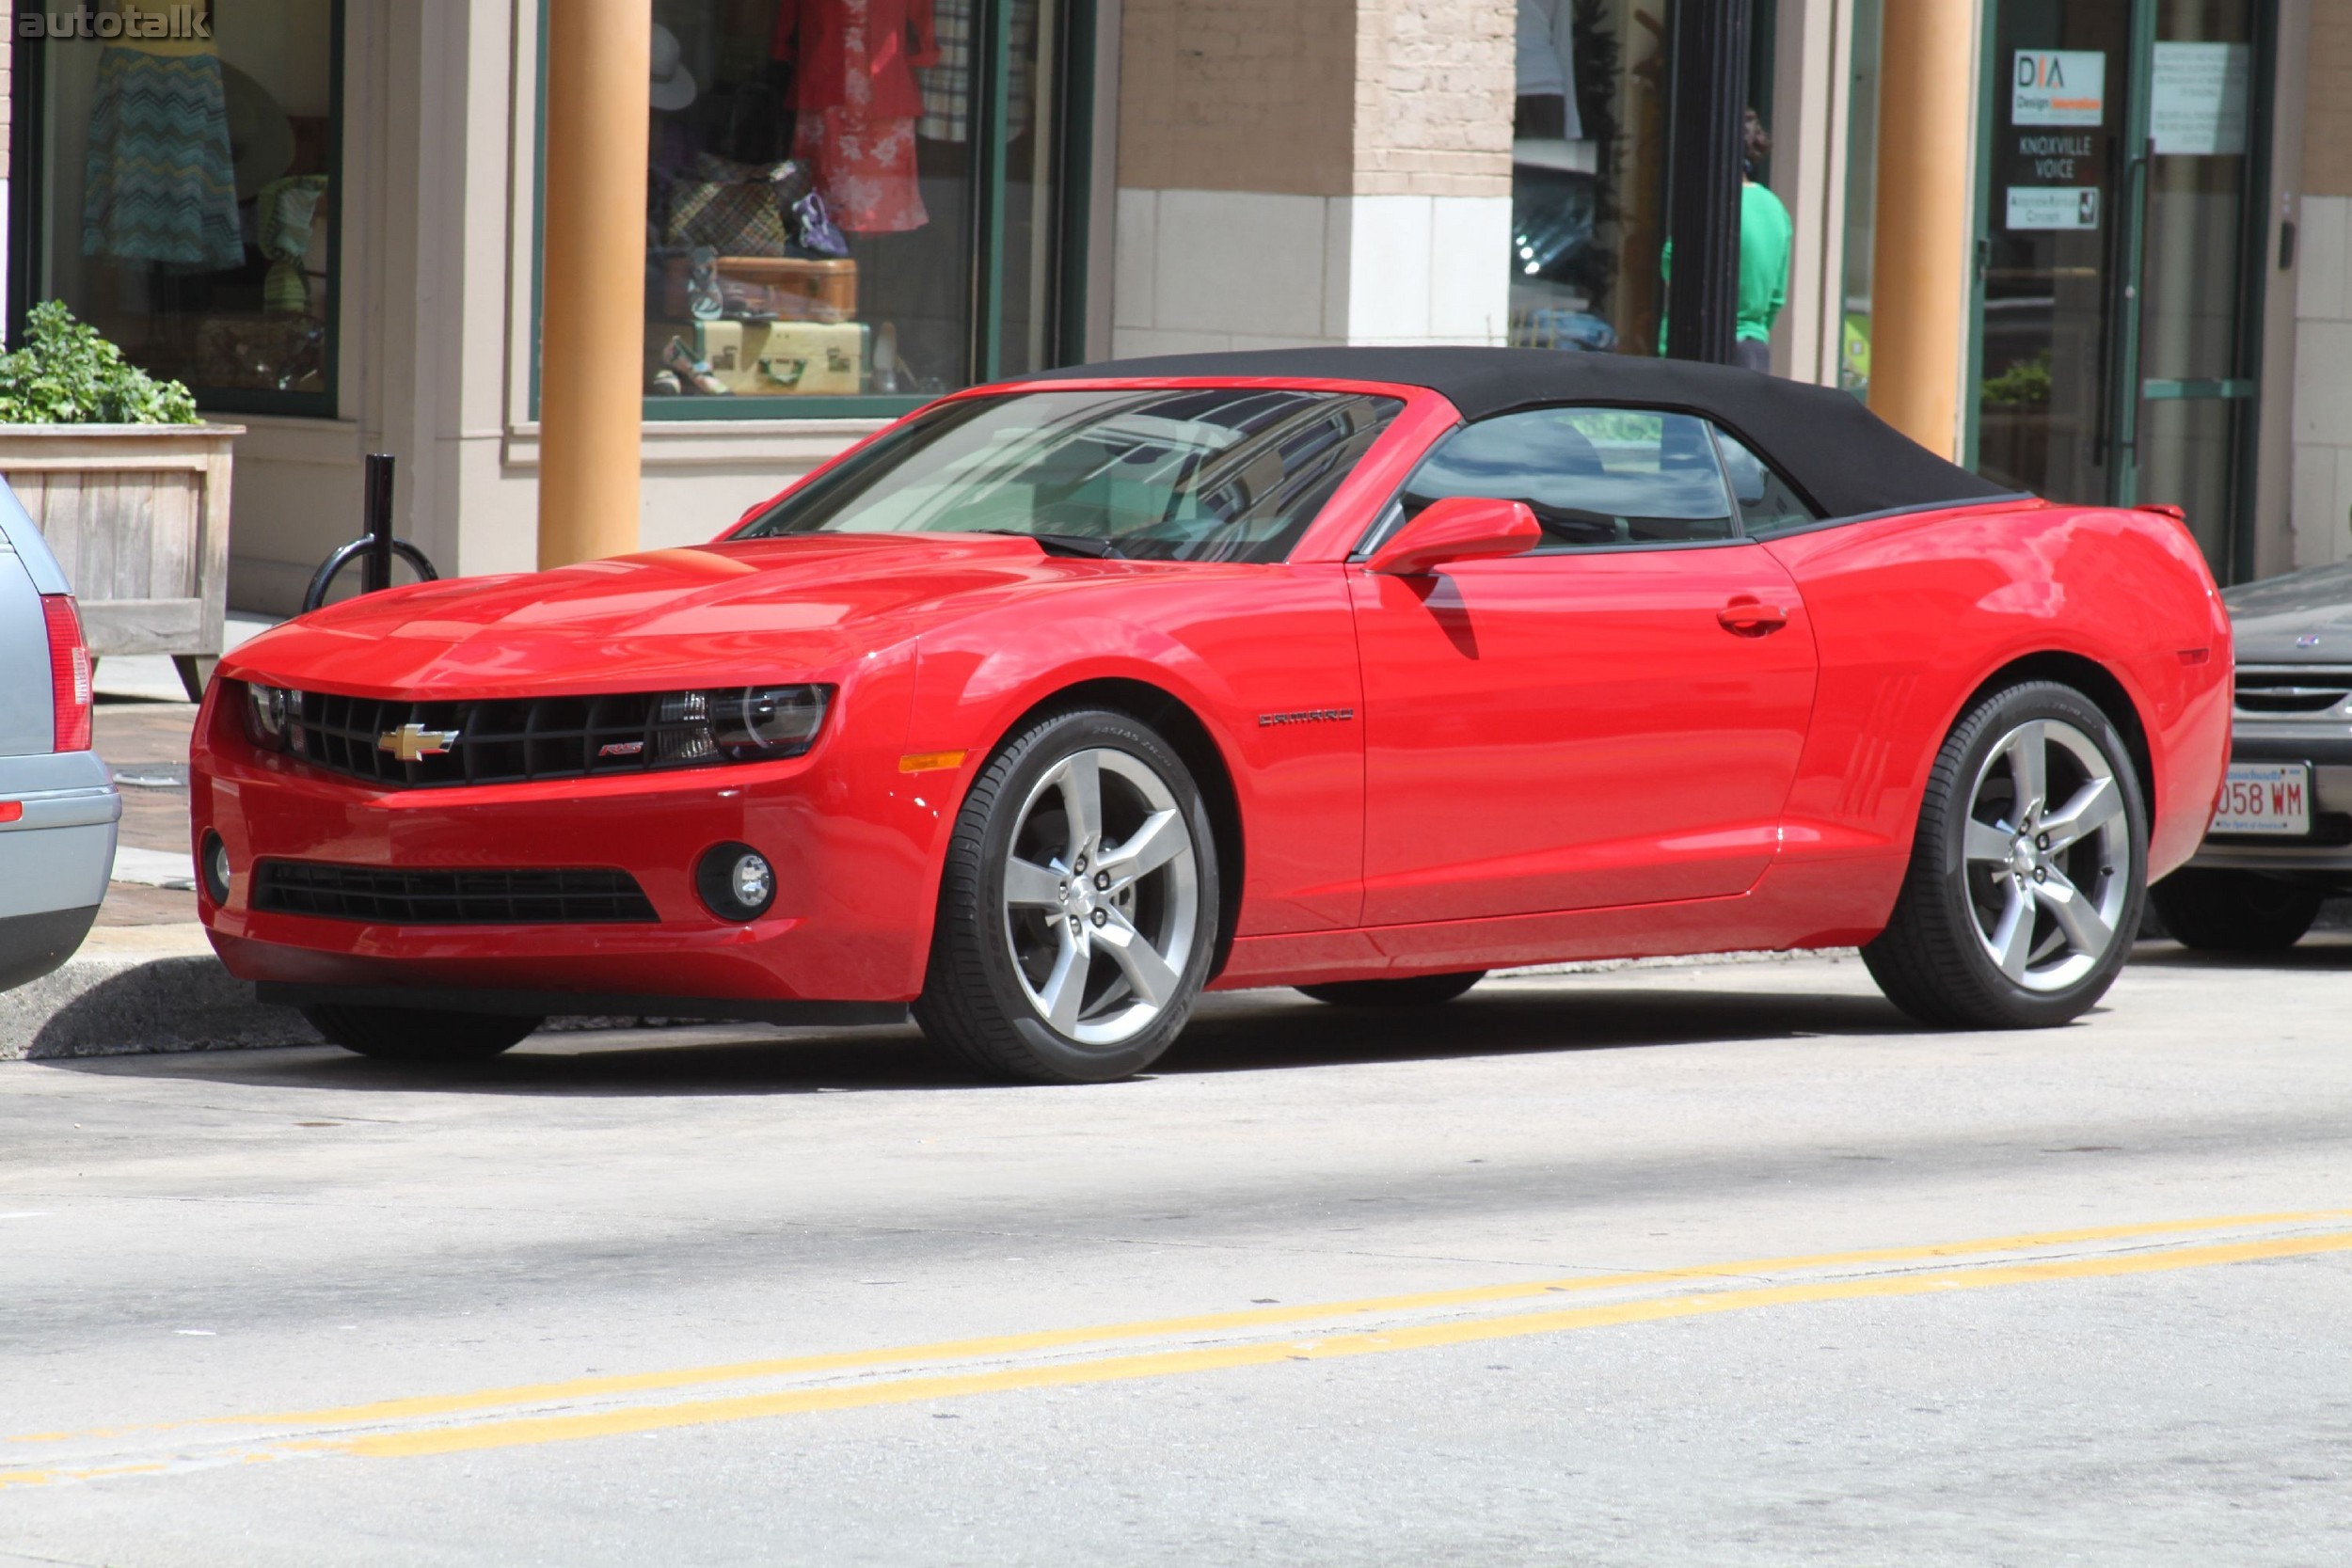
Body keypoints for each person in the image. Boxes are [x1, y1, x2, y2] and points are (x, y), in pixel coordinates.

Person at [1659, 109, 1793, 373]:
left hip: (1702, 350)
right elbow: (1777, 297)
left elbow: (1674, 270)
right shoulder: (1776, 209)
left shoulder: (1709, 204)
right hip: (1754, 350)